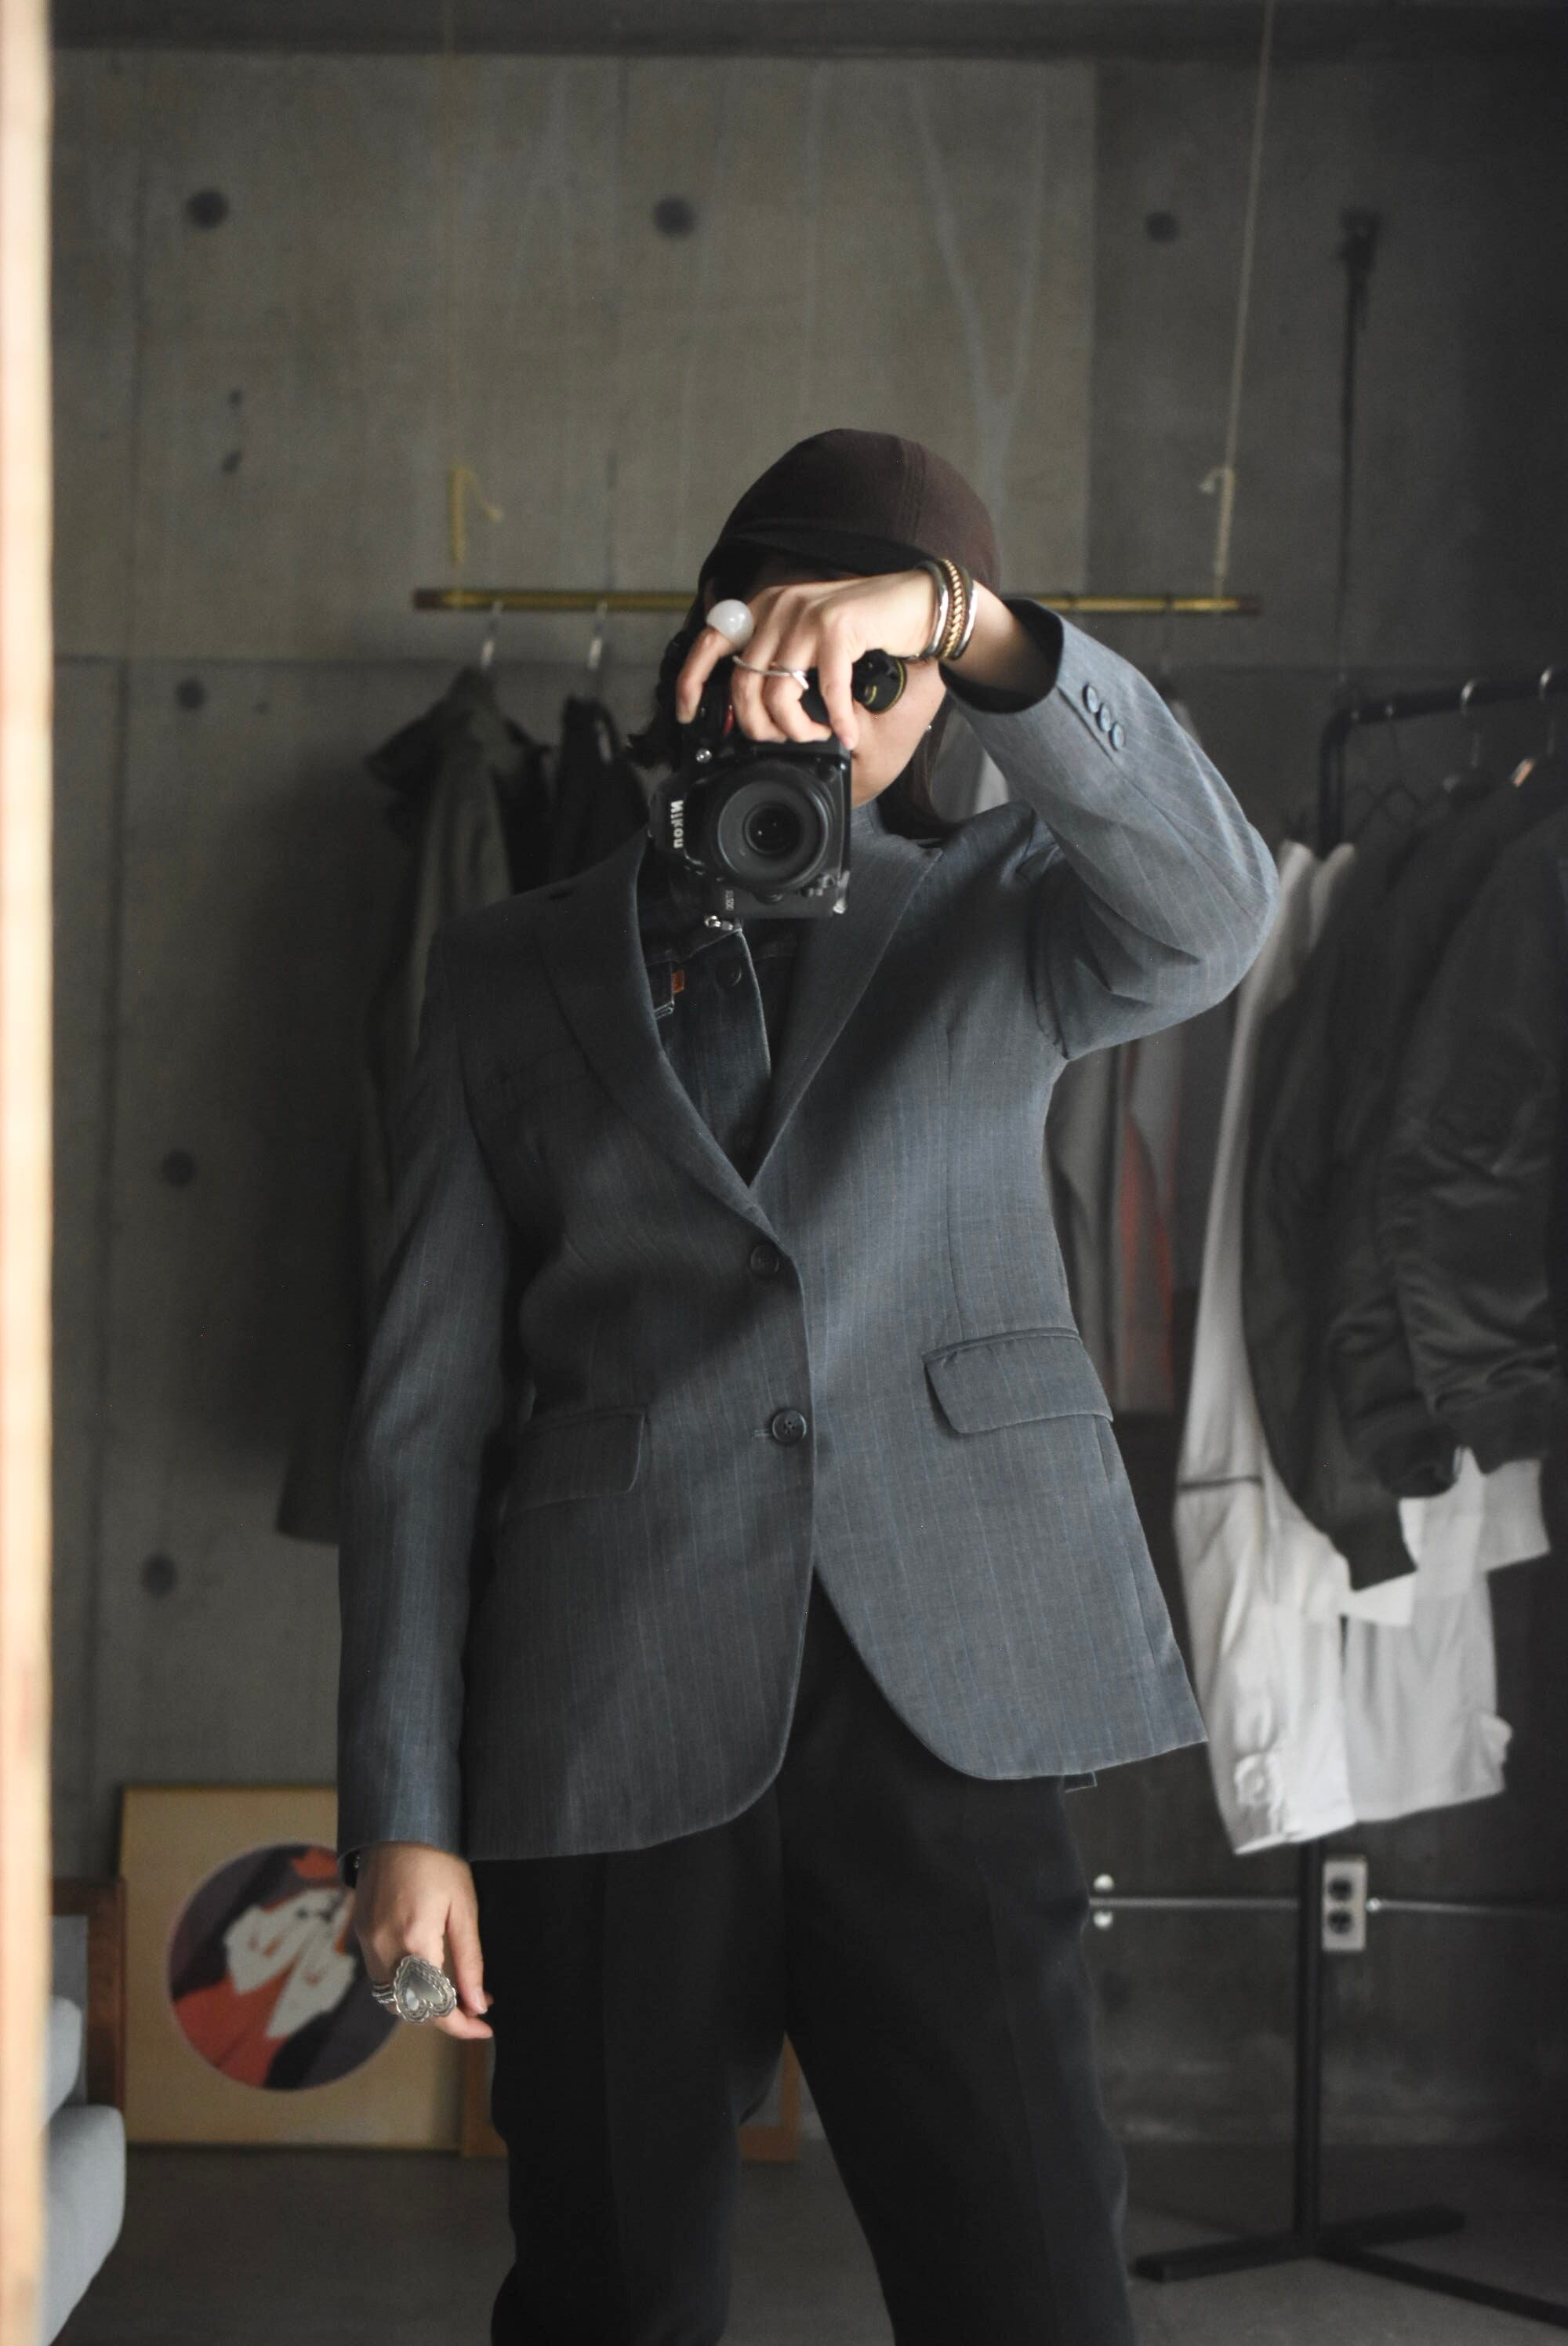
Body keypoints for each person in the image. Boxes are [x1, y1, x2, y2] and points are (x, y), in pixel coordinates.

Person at [336, 427, 1280, 2344]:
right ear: (708, 644)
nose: (833, 700)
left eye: (885, 668)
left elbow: (1218, 908)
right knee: (609, 2295)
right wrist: (403, 1810)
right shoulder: (509, 969)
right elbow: (417, 1423)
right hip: (609, 1716)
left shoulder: (1005, 909)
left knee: (1034, 2288)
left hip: (951, 1703)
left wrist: (973, 624)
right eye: (792, 639)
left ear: (939, 693)